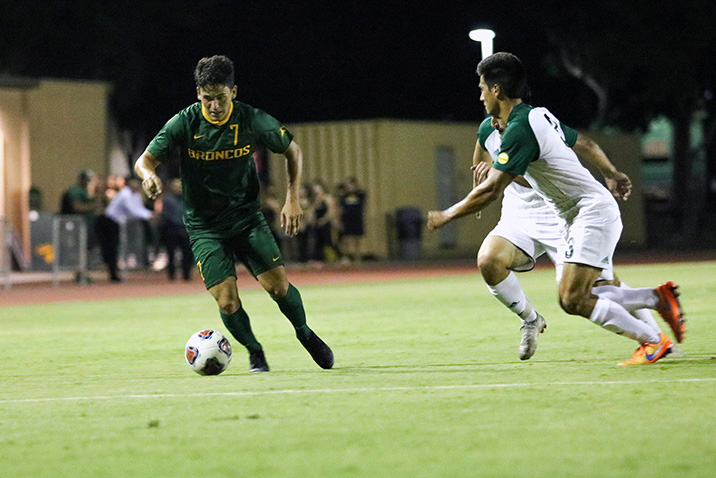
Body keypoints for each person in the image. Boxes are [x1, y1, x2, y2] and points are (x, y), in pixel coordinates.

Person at [427, 52, 685, 366]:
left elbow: (494, 187)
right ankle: (656, 308)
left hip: (587, 212)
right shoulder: (532, 117)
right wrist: (612, 174)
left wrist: (447, 215)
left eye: (482, 88)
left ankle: (654, 337)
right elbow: (489, 169)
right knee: (577, 295)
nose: (479, 95)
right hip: (570, 215)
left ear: (497, 90)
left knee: (579, 296)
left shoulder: (521, 129)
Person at [134, 54, 333, 372]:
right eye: (207, 99)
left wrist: (291, 198)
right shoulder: (184, 122)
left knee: (278, 287)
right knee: (226, 301)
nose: (214, 106)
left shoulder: (251, 120)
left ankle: (305, 334)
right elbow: (144, 160)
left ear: (234, 92)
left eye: (221, 98)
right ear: (198, 94)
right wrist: (148, 175)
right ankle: (255, 351)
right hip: (204, 226)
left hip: (246, 219)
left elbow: (292, 150)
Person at [472, 135, 675, 360]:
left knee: (598, 290)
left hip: (562, 216)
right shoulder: (489, 128)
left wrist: (494, 174)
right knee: (489, 260)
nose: (482, 97)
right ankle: (530, 319)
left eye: (485, 95)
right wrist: (478, 194)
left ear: (501, 97)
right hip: (518, 219)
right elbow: (481, 160)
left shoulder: (533, 123)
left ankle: (654, 337)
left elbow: (536, 177)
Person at [95, 176, 153, 282]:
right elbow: (133, 210)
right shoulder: (125, 194)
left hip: (115, 223)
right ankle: (113, 274)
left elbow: (139, 208)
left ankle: (114, 273)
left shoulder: (135, 195)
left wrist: (149, 214)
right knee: (111, 248)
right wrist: (149, 215)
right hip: (108, 222)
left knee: (114, 248)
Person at [158, 178, 194, 281]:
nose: (178, 189)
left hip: (185, 229)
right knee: (171, 253)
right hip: (172, 229)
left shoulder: (187, 198)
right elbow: (166, 214)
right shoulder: (168, 199)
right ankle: (171, 274)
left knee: (187, 252)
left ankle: (186, 273)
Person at [339, 177, 367, 263]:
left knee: (357, 238)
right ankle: (345, 256)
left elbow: (363, 196)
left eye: (350, 184)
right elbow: (340, 207)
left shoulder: (360, 195)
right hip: (346, 219)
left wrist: (357, 189)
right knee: (346, 238)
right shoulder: (343, 196)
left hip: (357, 218)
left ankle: (357, 257)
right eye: (347, 185)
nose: (348, 187)